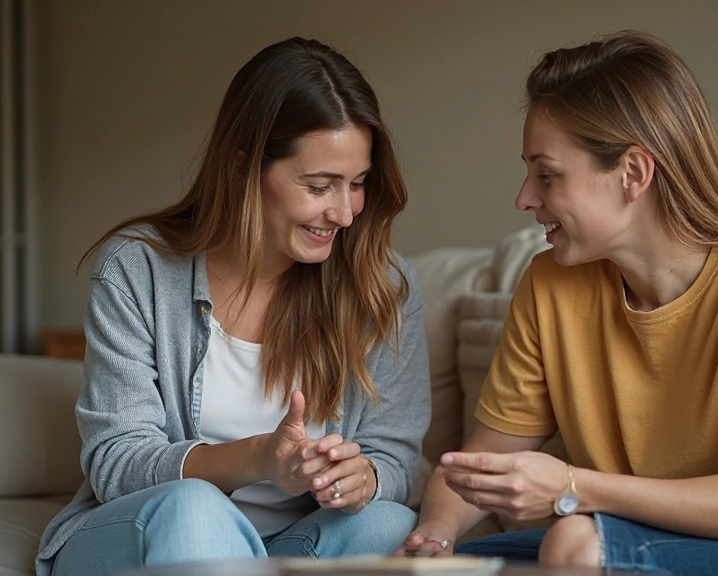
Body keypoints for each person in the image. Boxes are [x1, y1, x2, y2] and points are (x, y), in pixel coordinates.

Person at [399, 30, 718, 575]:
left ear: (633, 174)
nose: (524, 198)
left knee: (574, 545)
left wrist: (574, 488)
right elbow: (478, 468)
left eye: (547, 175)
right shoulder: (549, 284)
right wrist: (433, 537)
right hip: (623, 535)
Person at [36, 37, 430, 576]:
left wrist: (366, 478)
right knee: (198, 508)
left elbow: (395, 456)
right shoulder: (138, 269)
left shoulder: (381, 286)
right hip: (154, 532)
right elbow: (118, 463)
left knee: (386, 522)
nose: (344, 213)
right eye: (319, 186)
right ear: (243, 167)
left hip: (295, 543)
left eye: (357, 184)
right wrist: (259, 459)